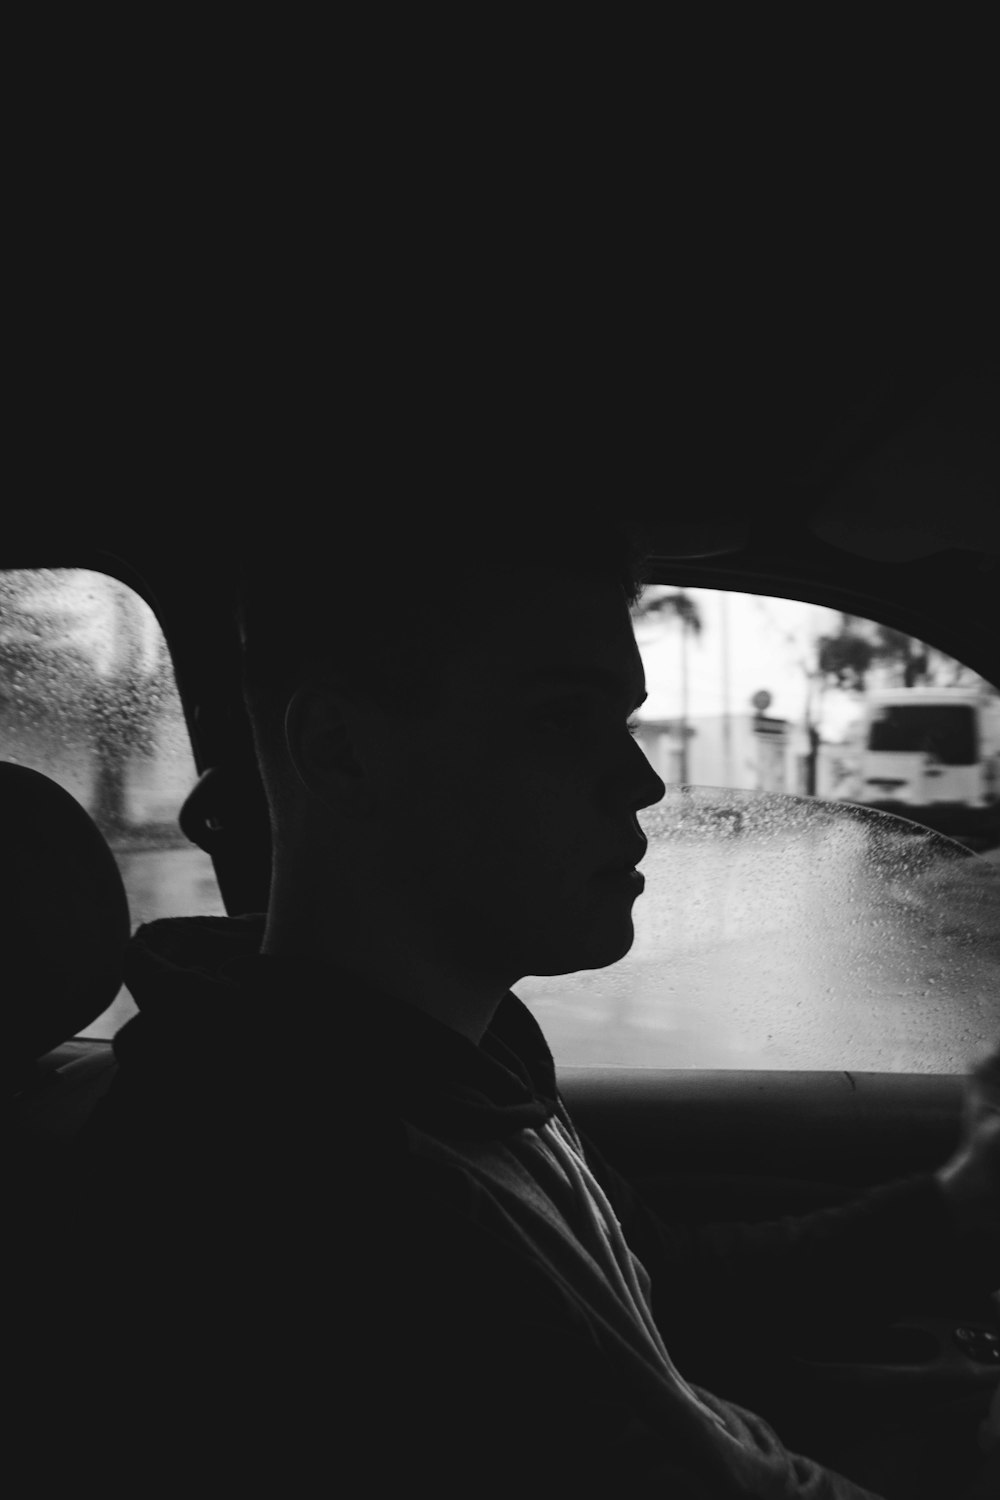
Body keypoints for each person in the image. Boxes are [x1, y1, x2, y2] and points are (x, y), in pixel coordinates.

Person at [38, 516, 999, 1495]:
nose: (640, 779)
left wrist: (949, 1211)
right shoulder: (301, 1210)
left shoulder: (449, 1064)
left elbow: (653, 1288)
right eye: (558, 718)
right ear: (339, 750)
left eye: (619, 719)